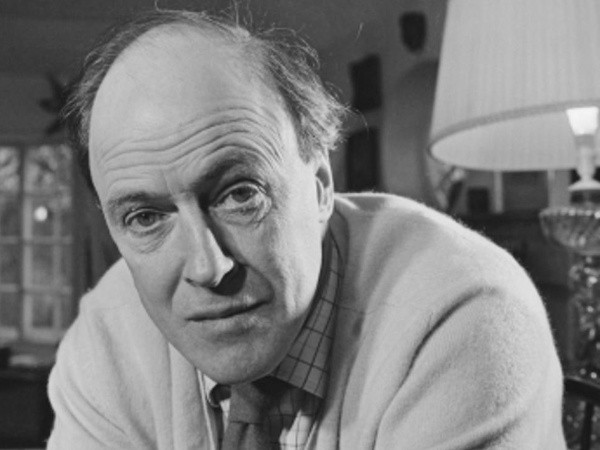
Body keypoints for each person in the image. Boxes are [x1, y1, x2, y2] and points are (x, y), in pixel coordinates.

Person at [47, 9, 565, 449]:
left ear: (320, 187)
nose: (207, 268)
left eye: (239, 194)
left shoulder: (462, 316)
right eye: (145, 218)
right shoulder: (107, 338)